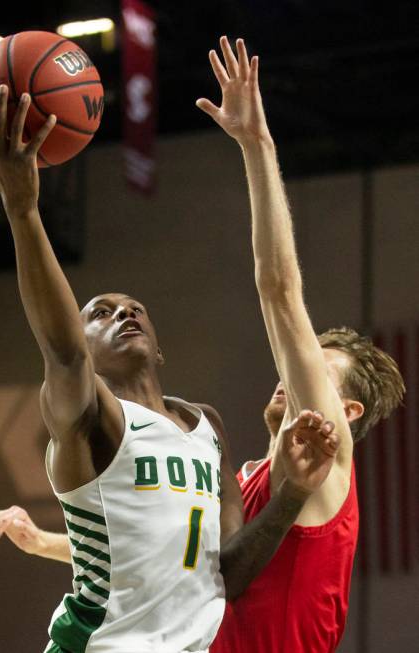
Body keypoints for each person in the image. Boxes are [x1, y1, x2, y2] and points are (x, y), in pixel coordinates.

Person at [0, 69, 340, 653]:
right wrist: (23, 210)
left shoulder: (206, 426)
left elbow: (228, 574)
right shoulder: (92, 417)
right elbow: (61, 351)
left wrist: (291, 492)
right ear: (85, 347)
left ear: (160, 347)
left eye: (135, 308)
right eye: (101, 312)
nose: (123, 314)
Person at [195, 37, 404, 652]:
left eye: (315, 368)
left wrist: (257, 145)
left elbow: (279, 291)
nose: (291, 370)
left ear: (349, 412)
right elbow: (164, 549)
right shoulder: (250, 477)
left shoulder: (331, 470)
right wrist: (40, 538)